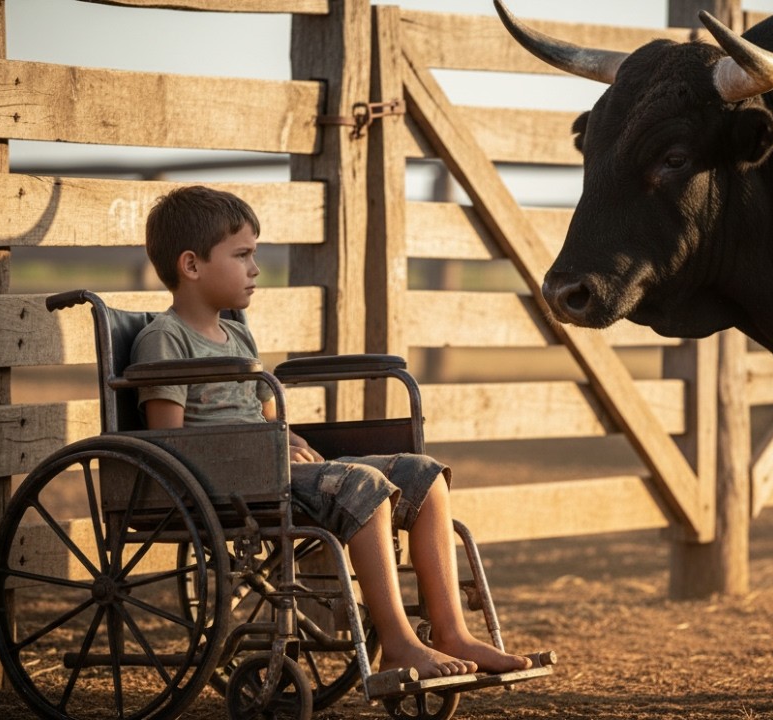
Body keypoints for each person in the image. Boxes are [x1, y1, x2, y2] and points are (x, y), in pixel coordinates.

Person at [131, 185, 532, 680]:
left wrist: (287, 437)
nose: (255, 268)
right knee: (362, 485)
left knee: (426, 477)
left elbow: (262, 414)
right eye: (242, 255)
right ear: (191, 265)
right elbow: (169, 447)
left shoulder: (236, 334)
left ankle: (450, 631)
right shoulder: (163, 340)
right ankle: (399, 643)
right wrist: (267, 448)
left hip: (269, 467)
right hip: (228, 483)